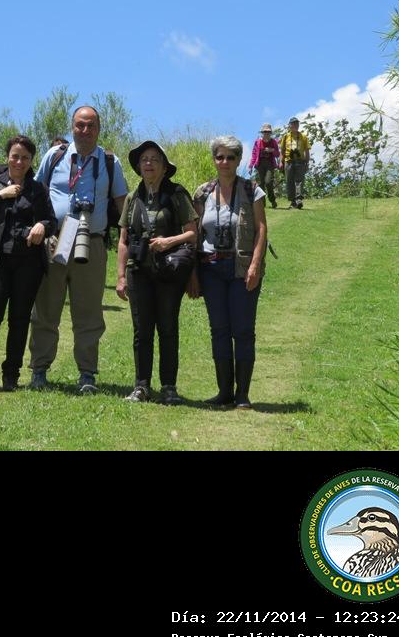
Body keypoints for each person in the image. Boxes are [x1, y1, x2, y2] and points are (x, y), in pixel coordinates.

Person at [28, 105, 129, 393]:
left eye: (91, 125)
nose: (85, 130)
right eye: (80, 125)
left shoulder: (110, 161)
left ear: (99, 129)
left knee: (89, 312)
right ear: (72, 127)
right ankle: (39, 371)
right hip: (54, 241)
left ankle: (87, 374)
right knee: (46, 308)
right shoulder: (55, 155)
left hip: (92, 242)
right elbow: (36, 193)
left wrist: (128, 240)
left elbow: (122, 204)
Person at [0, 136, 57, 393]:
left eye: (25, 158)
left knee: (19, 320)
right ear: (7, 156)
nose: (19, 162)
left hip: (28, 264)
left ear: (31, 161)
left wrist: (42, 226)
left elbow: (51, 221)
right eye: (15, 156)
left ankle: (11, 377)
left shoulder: (38, 189)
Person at [187, 135, 267, 409]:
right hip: (210, 268)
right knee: (219, 330)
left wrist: (255, 264)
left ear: (238, 160)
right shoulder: (202, 193)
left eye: (230, 157)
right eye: (219, 157)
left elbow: (261, 229)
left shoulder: (252, 190)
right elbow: (194, 234)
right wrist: (193, 274)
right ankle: (224, 392)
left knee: (243, 330)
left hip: (241, 267)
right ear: (214, 159)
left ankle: (242, 394)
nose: (224, 162)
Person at [116, 141, 197, 405]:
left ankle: (169, 388)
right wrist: (120, 276)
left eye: (154, 159)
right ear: (139, 167)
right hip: (138, 271)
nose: (148, 163)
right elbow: (123, 240)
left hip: (169, 271)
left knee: (168, 327)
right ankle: (141, 386)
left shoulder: (177, 194)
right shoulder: (132, 197)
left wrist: (168, 241)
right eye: (144, 160)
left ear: (164, 167)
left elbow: (192, 233)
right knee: (142, 330)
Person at [280, 117, 311, 209]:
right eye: (293, 124)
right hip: (288, 161)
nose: (296, 125)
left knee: (299, 181)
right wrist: (281, 162)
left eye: (297, 124)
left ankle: (298, 199)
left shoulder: (303, 137)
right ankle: (293, 201)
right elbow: (282, 150)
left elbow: (307, 151)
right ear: (289, 125)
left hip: (300, 161)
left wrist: (307, 163)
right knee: (289, 181)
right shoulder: (285, 137)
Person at [249, 123, 281, 208]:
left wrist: (272, 150)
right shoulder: (258, 142)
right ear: (262, 133)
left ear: (270, 133)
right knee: (261, 184)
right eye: (265, 132)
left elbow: (277, 154)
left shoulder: (273, 142)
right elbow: (254, 154)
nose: (266, 133)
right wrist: (250, 166)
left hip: (270, 164)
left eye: (268, 132)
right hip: (260, 164)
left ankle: (272, 200)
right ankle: (262, 203)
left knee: (268, 182)